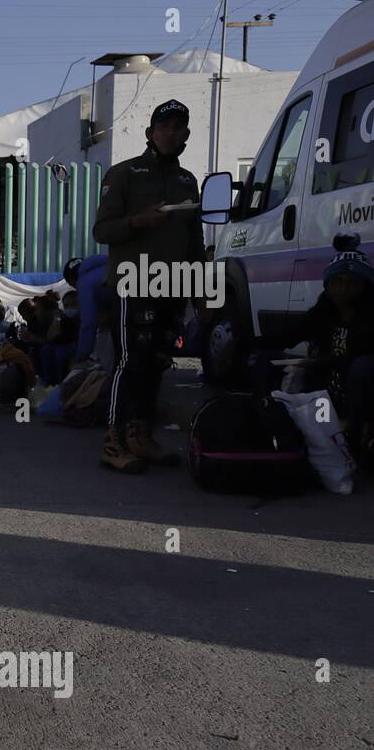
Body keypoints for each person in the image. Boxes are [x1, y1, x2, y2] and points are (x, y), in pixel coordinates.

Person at [92, 99, 206, 473]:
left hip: (171, 286)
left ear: (186, 134)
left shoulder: (187, 181)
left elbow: (194, 241)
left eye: (178, 127)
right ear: (150, 132)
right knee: (129, 361)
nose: (171, 133)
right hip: (131, 281)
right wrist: (138, 221)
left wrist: (199, 289)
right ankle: (113, 440)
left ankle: (140, 436)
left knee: (156, 361)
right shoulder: (124, 174)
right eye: (164, 126)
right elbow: (102, 231)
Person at [268, 236, 374, 469]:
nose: (343, 288)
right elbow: (289, 335)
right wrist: (244, 343)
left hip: (362, 400)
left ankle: (354, 439)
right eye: (337, 281)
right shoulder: (323, 313)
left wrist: (327, 361)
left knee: (363, 367)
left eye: (350, 282)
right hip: (328, 399)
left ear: (364, 285)